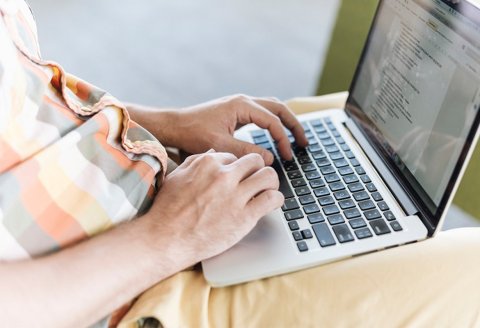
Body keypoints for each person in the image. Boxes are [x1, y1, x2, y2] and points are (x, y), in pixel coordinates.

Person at [1, 1, 479, 327]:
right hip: (132, 292)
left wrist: (165, 123)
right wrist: (170, 235)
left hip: (151, 189)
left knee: (345, 127)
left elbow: (31, 87)